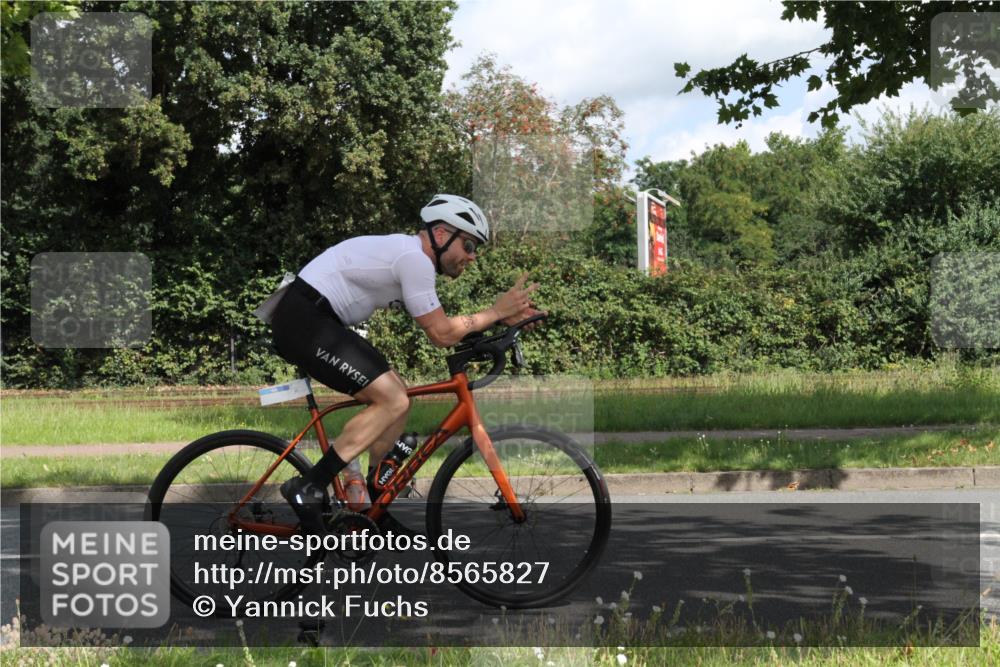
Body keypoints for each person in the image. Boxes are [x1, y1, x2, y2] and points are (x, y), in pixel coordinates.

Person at [269, 194, 542, 535]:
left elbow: (450, 328)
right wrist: (497, 312)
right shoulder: (413, 259)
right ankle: (309, 486)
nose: (471, 258)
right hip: (306, 320)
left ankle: (372, 507)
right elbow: (442, 334)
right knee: (392, 399)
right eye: (469, 246)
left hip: (318, 320)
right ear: (442, 235)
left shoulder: (411, 257)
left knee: (398, 396)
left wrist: (501, 321)